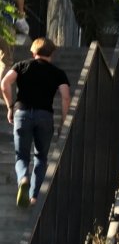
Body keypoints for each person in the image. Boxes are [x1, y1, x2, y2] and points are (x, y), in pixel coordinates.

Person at [1, 37, 71, 208]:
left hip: (22, 114)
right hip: (45, 116)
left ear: (33, 52)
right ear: (52, 54)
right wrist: (64, 121)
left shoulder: (22, 65)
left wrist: (10, 107)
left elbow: (4, 84)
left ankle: (23, 178)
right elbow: (66, 97)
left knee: (21, 156)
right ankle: (33, 197)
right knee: (41, 157)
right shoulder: (58, 73)